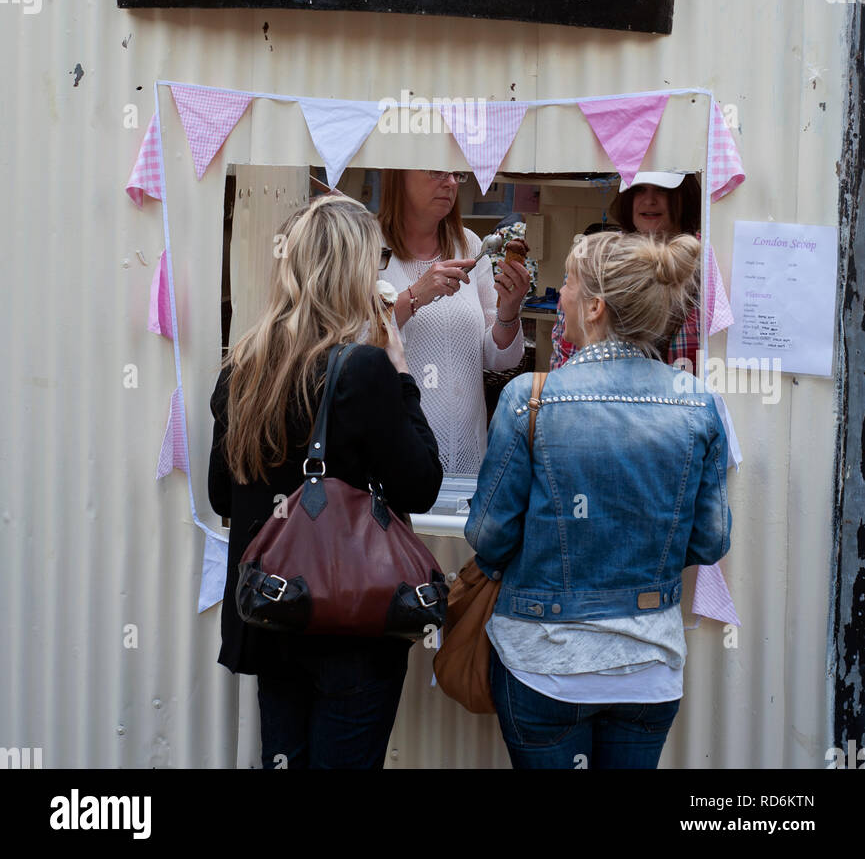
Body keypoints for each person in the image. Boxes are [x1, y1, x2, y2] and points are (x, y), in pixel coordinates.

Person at [465, 229, 733, 770]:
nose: (557, 293)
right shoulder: (699, 402)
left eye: (566, 281)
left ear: (594, 307)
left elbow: (488, 535)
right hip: (648, 667)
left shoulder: (529, 398)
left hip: (543, 660)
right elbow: (709, 540)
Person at [207, 193, 443, 770]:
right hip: (349, 623)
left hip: (273, 617)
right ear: (350, 271)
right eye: (376, 263)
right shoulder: (362, 368)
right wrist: (403, 370)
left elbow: (222, 496)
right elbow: (421, 485)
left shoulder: (243, 366)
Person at [378, 168, 530, 477]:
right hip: (393, 454)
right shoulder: (367, 245)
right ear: (399, 173)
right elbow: (354, 337)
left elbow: (496, 357)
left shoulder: (471, 244)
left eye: (456, 174)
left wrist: (509, 311)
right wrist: (414, 295)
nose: (449, 183)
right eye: (436, 171)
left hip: (468, 455)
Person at [550, 172, 702, 373]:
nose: (649, 200)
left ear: (685, 196)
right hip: (597, 399)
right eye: (639, 189)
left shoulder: (710, 262)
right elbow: (564, 354)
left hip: (684, 400)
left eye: (663, 190)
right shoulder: (596, 258)